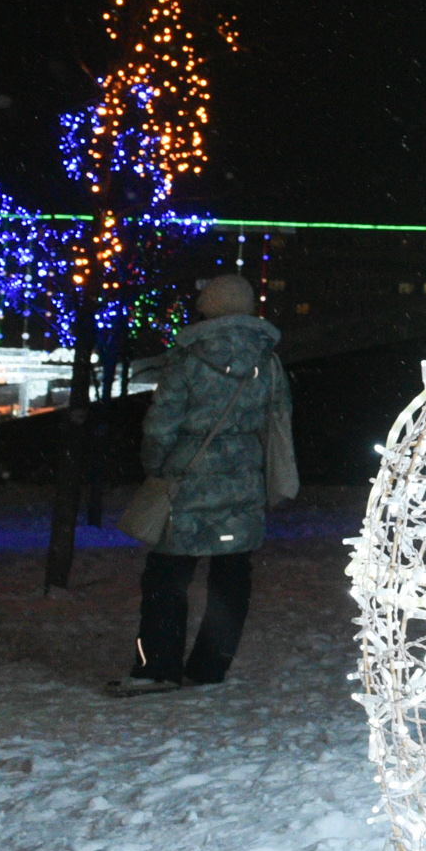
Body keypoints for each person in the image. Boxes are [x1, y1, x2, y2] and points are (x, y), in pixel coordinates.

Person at [107, 273, 291, 696]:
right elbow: (277, 421)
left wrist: (157, 467)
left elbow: (161, 424)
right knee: (232, 574)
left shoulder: (187, 357)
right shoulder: (268, 360)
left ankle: (157, 666)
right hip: (243, 481)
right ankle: (211, 664)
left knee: (166, 576)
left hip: (187, 480)